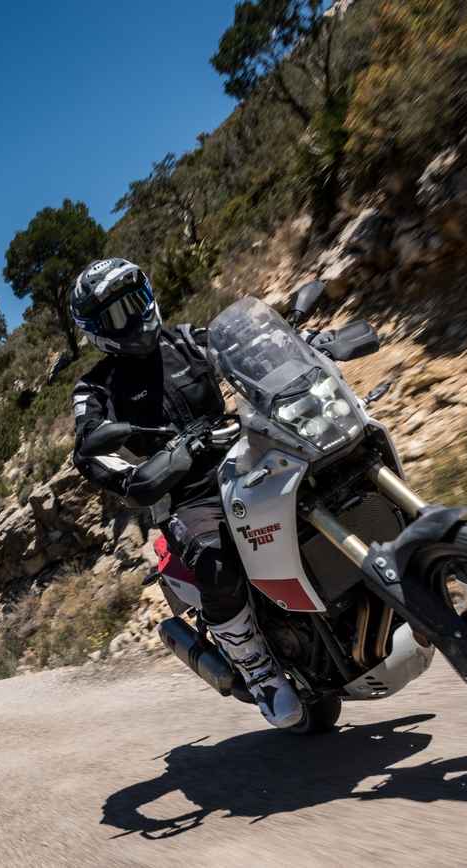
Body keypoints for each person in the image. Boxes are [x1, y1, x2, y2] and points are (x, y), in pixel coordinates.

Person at [68, 258, 303, 728]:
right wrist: (134, 477)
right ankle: (259, 670)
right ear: (97, 331)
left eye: (135, 301)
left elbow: (249, 350)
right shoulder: (94, 387)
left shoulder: (187, 340)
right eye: (116, 313)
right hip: (188, 496)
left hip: (249, 458)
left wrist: (300, 342)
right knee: (216, 562)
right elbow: (89, 447)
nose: (133, 317)